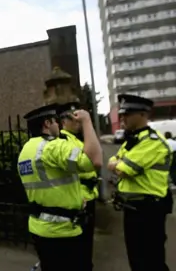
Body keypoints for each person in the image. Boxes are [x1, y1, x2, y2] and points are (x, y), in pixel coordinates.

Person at [17, 104, 102, 271]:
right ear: (47, 123)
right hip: (62, 232)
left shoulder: (25, 151)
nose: (59, 125)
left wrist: (76, 199)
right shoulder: (53, 146)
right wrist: (86, 121)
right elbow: (95, 161)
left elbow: (50, 186)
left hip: (39, 227)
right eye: (56, 121)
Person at [108, 94, 173, 271]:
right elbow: (112, 161)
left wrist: (117, 164)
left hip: (149, 210)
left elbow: (124, 169)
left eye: (128, 113)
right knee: (137, 262)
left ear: (144, 114)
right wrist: (117, 163)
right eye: (122, 114)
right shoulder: (133, 141)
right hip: (133, 209)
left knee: (151, 262)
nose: (123, 118)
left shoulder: (152, 141)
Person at [57, 102, 99, 271]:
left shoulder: (76, 139)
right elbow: (95, 161)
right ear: (63, 121)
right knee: (79, 254)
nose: (77, 122)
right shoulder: (62, 140)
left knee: (86, 251)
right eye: (73, 118)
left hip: (89, 197)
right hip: (78, 200)